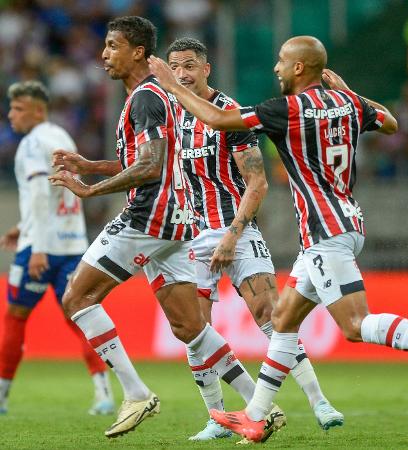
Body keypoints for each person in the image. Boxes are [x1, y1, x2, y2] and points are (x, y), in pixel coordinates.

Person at [149, 35, 408, 442]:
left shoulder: (286, 109)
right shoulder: (349, 103)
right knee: (283, 320)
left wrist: (170, 84)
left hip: (325, 229)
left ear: (297, 68)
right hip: (342, 222)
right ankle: (255, 416)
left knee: (355, 325)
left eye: (281, 61)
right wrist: (348, 92)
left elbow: (220, 120)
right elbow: (391, 123)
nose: (274, 68)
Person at [49, 16, 272, 440]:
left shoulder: (146, 98)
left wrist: (90, 190)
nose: (103, 54)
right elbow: (157, 159)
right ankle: (263, 405)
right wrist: (93, 165)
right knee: (189, 327)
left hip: (149, 216)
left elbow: (150, 167)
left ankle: (135, 393)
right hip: (178, 220)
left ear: (137, 52)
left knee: (77, 297)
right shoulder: (152, 97)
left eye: (112, 46)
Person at [166, 37, 343, 441]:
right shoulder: (174, 115)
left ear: (207, 68)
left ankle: (320, 402)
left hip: (237, 229)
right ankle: (217, 416)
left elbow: (257, 181)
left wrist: (232, 235)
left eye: (190, 65)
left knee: (271, 315)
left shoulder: (230, 113)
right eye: (175, 66)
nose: (182, 74)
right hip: (192, 234)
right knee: (196, 331)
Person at [0, 80, 114, 416]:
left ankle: (2, 396)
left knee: (14, 318)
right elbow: (59, 192)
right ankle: (103, 394)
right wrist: (24, 226)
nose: (11, 115)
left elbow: (38, 193)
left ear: (38, 110)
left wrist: (36, 245)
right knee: (79, 318)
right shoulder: (62, 137)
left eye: (18, 108)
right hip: (72, 245)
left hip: (41, 249)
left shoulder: (31, 144)